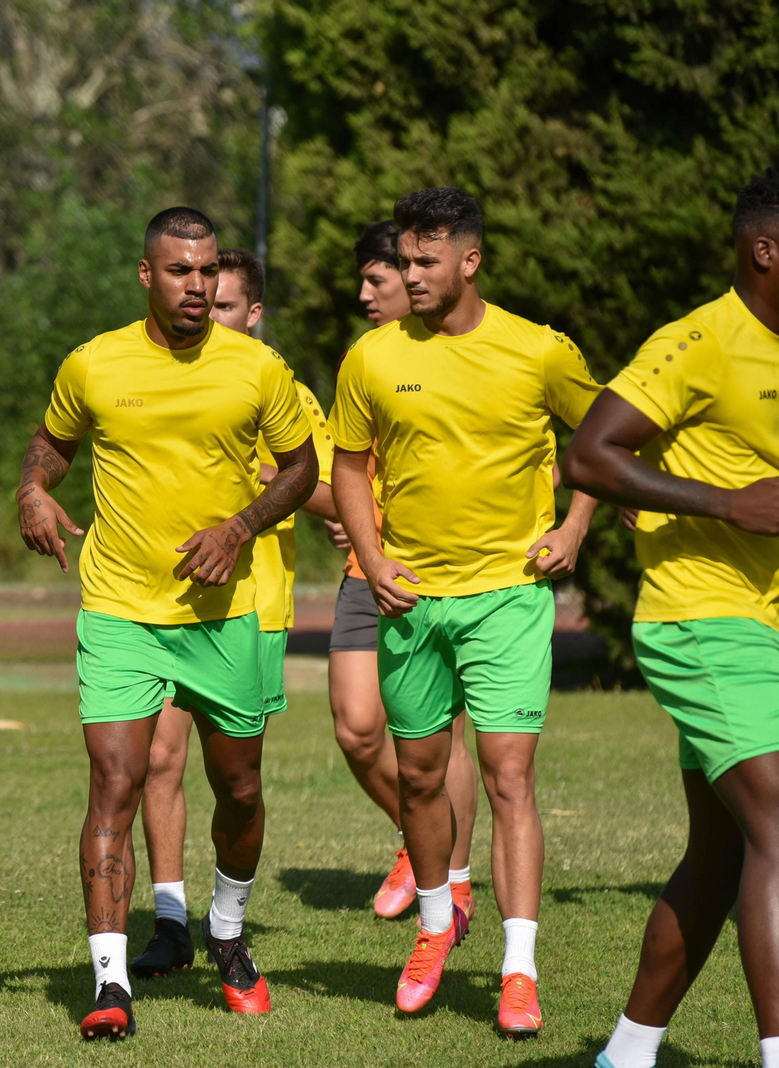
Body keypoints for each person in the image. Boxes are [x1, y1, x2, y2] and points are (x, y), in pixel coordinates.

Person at [19, 207, 318, 1039]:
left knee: (240, 790)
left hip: (223, 615)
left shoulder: (257, 366)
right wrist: (33, 489)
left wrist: (241, 527)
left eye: (208, 271)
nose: (197, 286)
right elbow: (51, 444)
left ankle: (226, 929)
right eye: (181, 271)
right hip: (120, 607)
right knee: (115, 782)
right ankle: (110, 983)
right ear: (147, 275)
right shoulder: (94, 363)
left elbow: (302, 468)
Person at [330, 187, 600, 1035]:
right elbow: (347, 467)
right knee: (418, 776)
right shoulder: (371, 357)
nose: (409, 275)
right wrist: (373, 559)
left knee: (508, 776)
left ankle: (519, 971)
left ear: (470, 261)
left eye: (426, 261)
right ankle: (436, 925)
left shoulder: (539, 349)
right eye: (404, 260)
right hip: (411, 600)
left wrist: (574, 528)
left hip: (508, 597)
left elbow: (601, 440)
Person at [561, 168, 779, 1068]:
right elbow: (591, 454)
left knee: (720, 857)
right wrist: (721, 503)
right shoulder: (698, 340)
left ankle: (626, 1054)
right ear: (765, 250)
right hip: (707, 622)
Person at [130, 247, 336, 978]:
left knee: (237, 785)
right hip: (165, 604)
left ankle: (226, 921)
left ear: (252, 313)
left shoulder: (284, 390)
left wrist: (272, 477)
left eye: (224, 304)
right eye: (203, 299)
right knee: (158, 758)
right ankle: (168, 921)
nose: (207, 311)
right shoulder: (162, 376)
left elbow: (330, 490)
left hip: (253, 608)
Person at [325, 222, 479, 923]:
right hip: (370, 570)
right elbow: (346, 466)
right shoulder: (362, 360)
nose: (366, 293)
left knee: (444, 736)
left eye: (376, 278)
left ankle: (454, 881)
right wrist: (352, 516)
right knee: (358, 729)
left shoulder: (463, 350)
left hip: (447, 572)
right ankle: (420, 840)